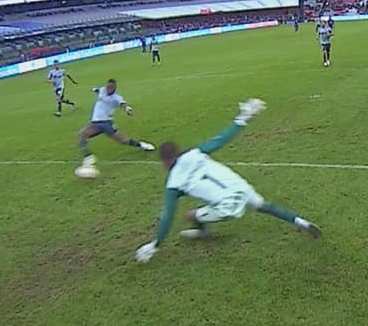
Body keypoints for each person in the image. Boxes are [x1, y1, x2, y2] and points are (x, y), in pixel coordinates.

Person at [134, 99, 321, 263]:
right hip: (241, 187)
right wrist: (242, 119)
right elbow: (220, 140)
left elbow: (168, 215)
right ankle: (302, 222)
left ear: (165, 161)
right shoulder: (195, 153)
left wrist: (155, 244)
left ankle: (204, 232)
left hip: (228, 205)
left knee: (190, 215)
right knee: (263, 206)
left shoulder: (174, 183)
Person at [77, 79, 155, 170]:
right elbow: (98, 90)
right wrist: (93, 89)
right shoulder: (102, 90)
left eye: (111, 87)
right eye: (107, 87)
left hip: (106, 123)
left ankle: (142, 145)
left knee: (123, 141)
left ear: (115, 88)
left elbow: (123, 104)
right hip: (95, 124)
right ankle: (88, 157)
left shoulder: (116, 97)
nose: (108, 89)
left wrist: (127, 109)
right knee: (82, 135)